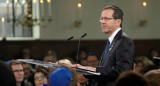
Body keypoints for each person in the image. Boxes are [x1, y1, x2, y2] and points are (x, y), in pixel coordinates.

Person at [73, 5, 134, 86]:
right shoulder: (113, 41)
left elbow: (123, 71)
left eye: (107, 19)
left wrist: (87, 69)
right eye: (102, 19)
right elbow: (105, 72)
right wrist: (84, 70)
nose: (103, 22)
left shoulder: (124, 40)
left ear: (118, 22)